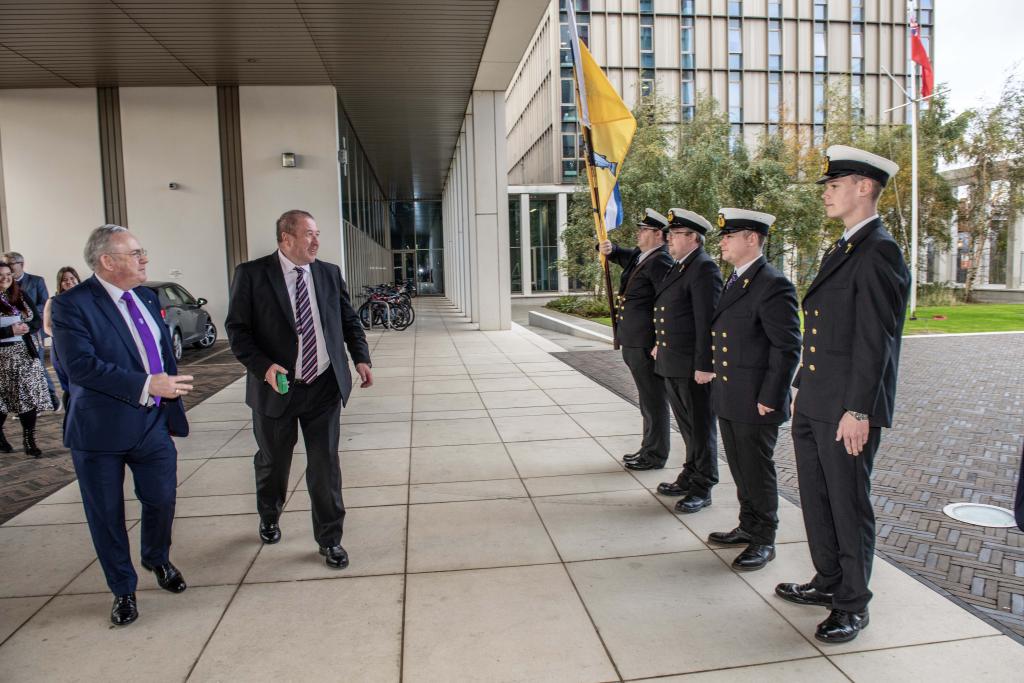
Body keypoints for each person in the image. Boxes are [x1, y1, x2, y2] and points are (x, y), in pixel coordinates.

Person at [776, 146, 910, 644]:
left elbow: (876, 341)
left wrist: (859, 410)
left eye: (835, 185)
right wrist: (800, 387)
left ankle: (853, 604)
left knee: (848, 504)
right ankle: (828, 581)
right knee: (816, 499)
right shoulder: (845, 246)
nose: (827, 193)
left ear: (864, 188)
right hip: (816, 400)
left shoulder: (879, 250)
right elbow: (826, 332)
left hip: (846, 409)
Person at [51, 225, 193, 627]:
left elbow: (162, 353)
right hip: (99, 432)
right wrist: (148, 384)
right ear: (107, 261)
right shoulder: (71, 305)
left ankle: (156, 558)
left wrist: (164, 392)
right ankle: (123, 589)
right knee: (106, 515)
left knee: (162, 499)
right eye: (136, 253)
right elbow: (80, 367)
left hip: (151, 421)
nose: (144, 258)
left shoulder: (147, 298)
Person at [225, 209, 372, 570]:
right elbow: (238, 330)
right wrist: (264, 368)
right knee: (274, 462)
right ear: (285, 238)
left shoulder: (328, 273)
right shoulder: (252, 275)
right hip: (277, 387)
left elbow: (348, 320)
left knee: (325, 466)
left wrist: (361, 358)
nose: (316, 241)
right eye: (309, 234)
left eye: (318, 233)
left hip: (323, 384)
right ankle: (269, 513)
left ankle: (330, 539)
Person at [705, 208, 801, 572]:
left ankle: (764, 538)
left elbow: (787, 345)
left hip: (755, 398)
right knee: (741, 467)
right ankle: (748, 525)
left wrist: (771, 395)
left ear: (752, 239)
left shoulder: (772, 284)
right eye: (722, 236)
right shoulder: (737, 280)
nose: (723, 242)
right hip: (730, 394)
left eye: (730, 236)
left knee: (757, 469)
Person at [651, 209, 723, 514]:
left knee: (700, 428)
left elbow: (707, 320)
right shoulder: (682, 266)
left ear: (693, 238)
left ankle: (702, 485)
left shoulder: (704, 268)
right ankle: (690, 473)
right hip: (674, 361)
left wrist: (705, 364)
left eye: (676, 234)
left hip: (693, 367)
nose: (669, 239)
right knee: (687, 426)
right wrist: (661, 344)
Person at [599, 209, 674, 471]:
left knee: (654, 399)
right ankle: (648, 447)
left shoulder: (661, 261)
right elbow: (626, 257)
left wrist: (659, 340)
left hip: (645, 342)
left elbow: (666, 303)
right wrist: (609, 247)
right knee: (646, 399)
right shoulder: (644, 256)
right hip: (633, 340)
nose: (638, 233)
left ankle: (655, 454)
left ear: (659, 235)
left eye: (644, 230)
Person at [0, 261, 54, 457]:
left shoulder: (20, 294)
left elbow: (37, 320)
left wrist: (26, 328)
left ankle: (29, 440)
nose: (5, 278)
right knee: (3, 401)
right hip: (1, 356)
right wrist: (8, 330)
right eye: (1, 275)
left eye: (8, 274)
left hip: (24, 353)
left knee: (28, 398)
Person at [4, 251, 57, 408]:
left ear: (21, 264)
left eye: (11, 265)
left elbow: (45, 303)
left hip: (32, 332)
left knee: (37, 365)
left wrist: (25, 312)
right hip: (11, 338)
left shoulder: (35, 281)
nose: (9, 269)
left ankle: (51, 397)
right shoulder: (5, 287)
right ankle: (29, 404)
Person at [43, 266, 81, 411]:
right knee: (69, 387)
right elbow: (47, 327)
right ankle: (70, 420)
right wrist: (67, 338)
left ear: (77, 279)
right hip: (62, 348)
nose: (69, 282)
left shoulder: (87, 299)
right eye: (65, 280)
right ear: (60, 283)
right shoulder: (53, 301)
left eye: (72, 278)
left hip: (84, 346)